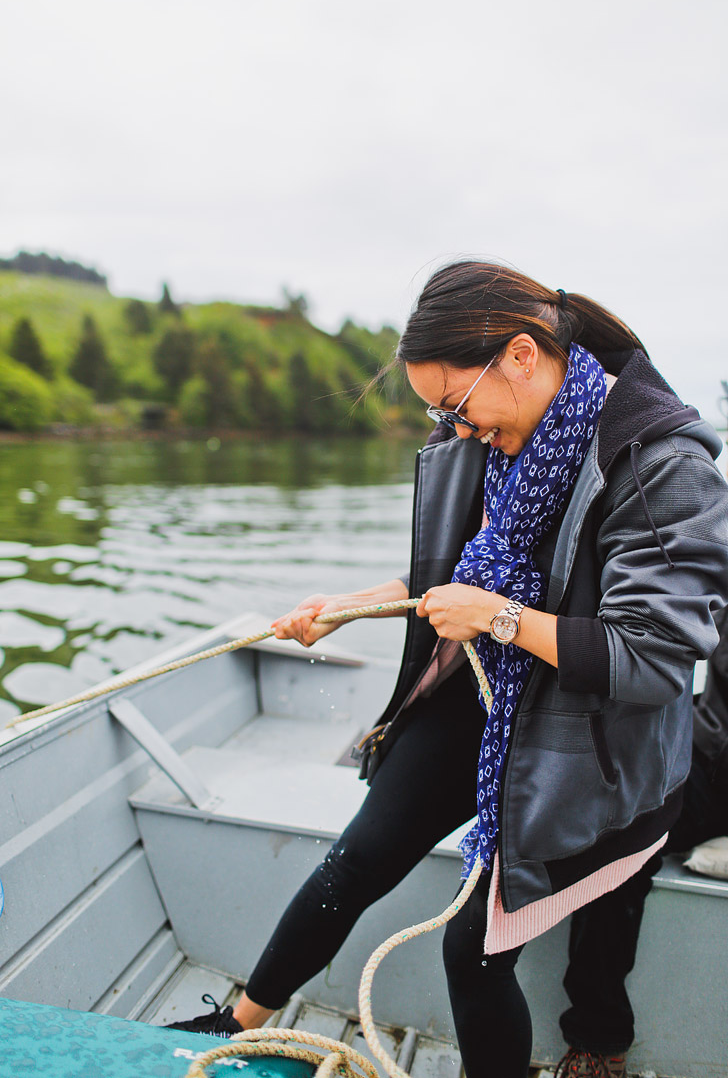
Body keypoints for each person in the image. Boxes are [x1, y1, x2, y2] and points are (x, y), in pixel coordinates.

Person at [167, 261, 728, 1078]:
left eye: (457, 406)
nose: (454, 430)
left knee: (474, 948)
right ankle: (237, 1020)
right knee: (357, 859)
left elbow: (649, 660)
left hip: (596, 741)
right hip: (489, 694)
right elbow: (448, 576)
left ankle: (585, 1043)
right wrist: (347, 604)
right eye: (438, 412)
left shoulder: (666, 468)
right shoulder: (488, 434)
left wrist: (497, 617)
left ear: (523, 356)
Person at [555, 604, 728, 1078]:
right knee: (620, 818)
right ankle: (597, 1039)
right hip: (709, 751)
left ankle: (598, 1039)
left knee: (627, 826)